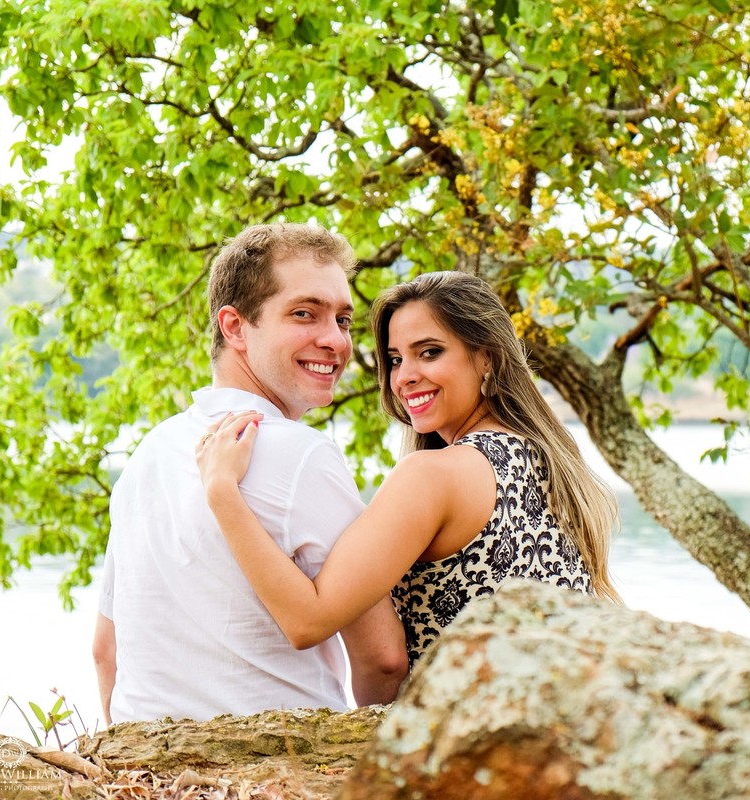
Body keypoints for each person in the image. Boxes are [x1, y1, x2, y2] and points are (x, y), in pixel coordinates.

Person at [198, 271, 620, 667]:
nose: (405, 377)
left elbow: (308, 621)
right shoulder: (547, 459)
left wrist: (222, 493)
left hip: (457, 736)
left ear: (487, 358)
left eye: (430, 353)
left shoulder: (433, 476)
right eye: (396, 359)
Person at [92, 224, 408, 725]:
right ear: (235, 327)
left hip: (142, 760)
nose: (335, 341)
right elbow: (383, 659)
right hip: (280, 762)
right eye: (304, 314)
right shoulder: (301, 454)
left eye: (344, 320)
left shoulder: (146, 455)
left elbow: (106, 652)